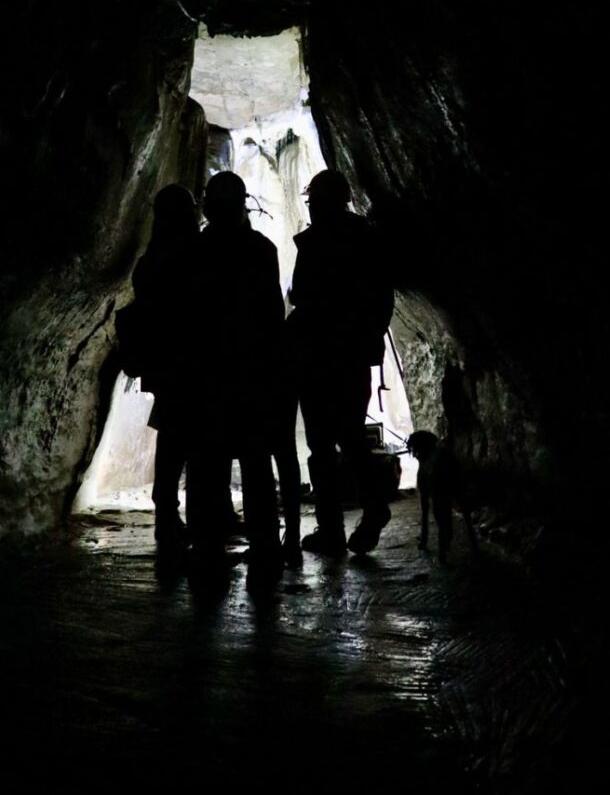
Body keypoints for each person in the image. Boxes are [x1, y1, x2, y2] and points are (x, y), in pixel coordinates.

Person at [287, 169, 395, 556]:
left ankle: (331, 529)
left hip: (319, 354)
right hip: (352, 354)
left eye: (313, 201)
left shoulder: (317, 242)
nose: (312, 208)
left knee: (321, 443)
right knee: (350, 437)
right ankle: (368, 510)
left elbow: (301, 293)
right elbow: (383, 298)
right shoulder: (366, 239)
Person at [190, 171, 284, 586]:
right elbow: (271, 316)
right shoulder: (262, 249)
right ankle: (265, 546)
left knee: (208, 463)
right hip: (251, 371)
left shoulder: (197, 249)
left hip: (210, 372)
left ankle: (208, 547)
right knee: (255, 462)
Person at [130, 184, 200, 554]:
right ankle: (179, 517)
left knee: (172, 438)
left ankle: (167, 516)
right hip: (193, 362)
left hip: (167, 364)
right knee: (188, 440)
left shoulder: (154, 256)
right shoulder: (193, 253)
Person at [408, 429, 478, 564]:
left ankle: (438, 549)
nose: (415, 455)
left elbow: (424, 502)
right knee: (460, 509)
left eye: (415, 451)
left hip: (437, 483)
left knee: (440, 512)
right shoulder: (446, 455)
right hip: (452, 479)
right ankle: (472, 542)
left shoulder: (426, 464)